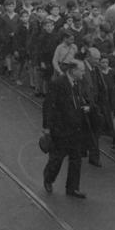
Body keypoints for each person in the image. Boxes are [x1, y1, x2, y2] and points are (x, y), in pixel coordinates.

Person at [42, 60, 91, 198]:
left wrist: (84, 108)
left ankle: (72, 188)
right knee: (57, 158)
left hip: (75, 128)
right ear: (73, 70)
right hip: (61, 129)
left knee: (76, 159)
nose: (83, 73)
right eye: (81, 70)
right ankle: (48, 178)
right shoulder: (58, 83)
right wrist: (46, 127)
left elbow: (77, 101)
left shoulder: (77, 83)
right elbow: (48, 105)